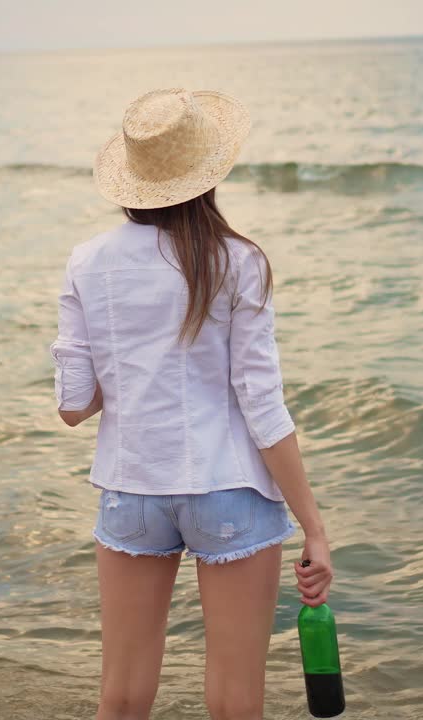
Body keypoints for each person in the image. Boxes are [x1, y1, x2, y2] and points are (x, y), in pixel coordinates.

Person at [48, 87, 335, 720]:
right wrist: (313, 525)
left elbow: (73, 406)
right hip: (227, 487)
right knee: (235, 703)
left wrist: (119, 352)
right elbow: (261, 404)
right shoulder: (238, 261)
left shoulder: (87, 263)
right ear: (207, 174)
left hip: (131, 494)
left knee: (121, 698)